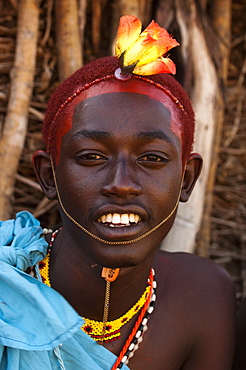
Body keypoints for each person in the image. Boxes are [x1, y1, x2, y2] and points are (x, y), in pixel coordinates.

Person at [0, 15, 236, 370]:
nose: (122, 183)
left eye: (152, 158)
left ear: (186, 179)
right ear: (49, 176)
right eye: (92, 156)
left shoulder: (202, 298)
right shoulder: (7, 303)